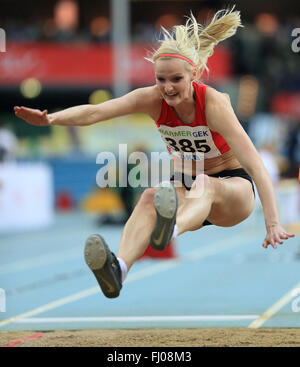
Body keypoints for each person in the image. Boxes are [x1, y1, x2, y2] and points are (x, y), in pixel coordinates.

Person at [14, 8, 295, 299]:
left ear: (194, 75)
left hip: (233, 191)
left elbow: (257, 166)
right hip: (187, 189)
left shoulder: (214, 104)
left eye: (175, 79)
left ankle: (168, 230)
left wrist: (273, 223)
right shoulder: (152, 99)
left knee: (205, 185)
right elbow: (96, 111)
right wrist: (50, 119)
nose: (167, 88)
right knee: (150, 195)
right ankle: (118, 268)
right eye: (161, 79)